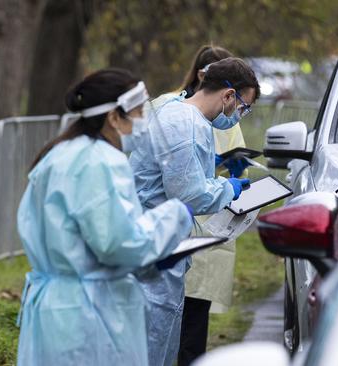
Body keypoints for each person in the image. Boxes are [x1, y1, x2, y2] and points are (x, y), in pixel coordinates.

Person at [16, 69, 194, 366]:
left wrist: (148, 263)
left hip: (58, 310)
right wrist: (173, 218)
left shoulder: (59, 154)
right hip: (90, 314)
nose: (142, 121)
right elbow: (119, 245)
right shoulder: (101, 162)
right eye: (138, 112)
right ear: (114, 117)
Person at [129, 57, 260, 366]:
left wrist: (214, 175)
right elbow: (189, 193)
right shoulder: (186, 124)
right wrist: (229, 190)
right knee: (150, 346)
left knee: (161, 342)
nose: (239, 116)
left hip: (161, 244)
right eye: (244, 107)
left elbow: (183, 177)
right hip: (154, 250)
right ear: (228, 95)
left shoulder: (182, 114)